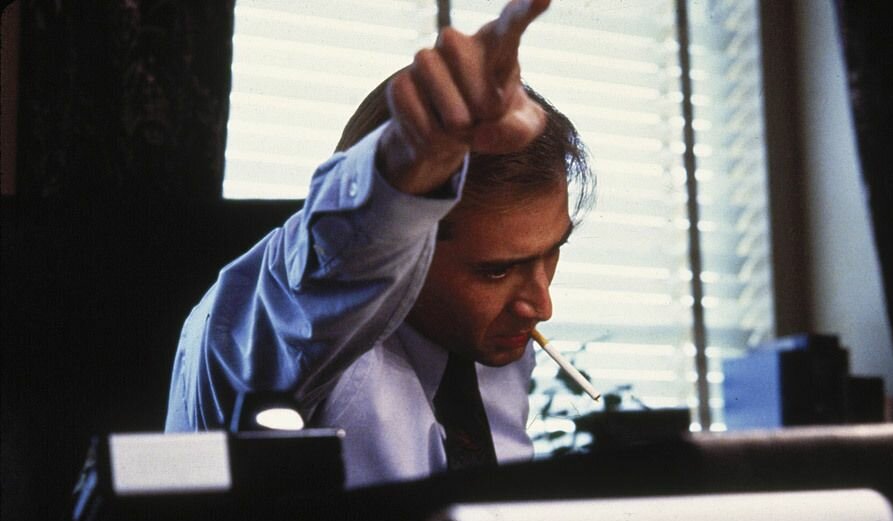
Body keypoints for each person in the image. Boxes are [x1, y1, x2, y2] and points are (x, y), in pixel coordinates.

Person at [165, 0, 591, 488]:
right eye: (496, 270)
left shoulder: (487, 345)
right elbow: (327, 271)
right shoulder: (284, 334)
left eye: (552, 252)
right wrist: (410, 162)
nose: (541, 306)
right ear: (409, 244)